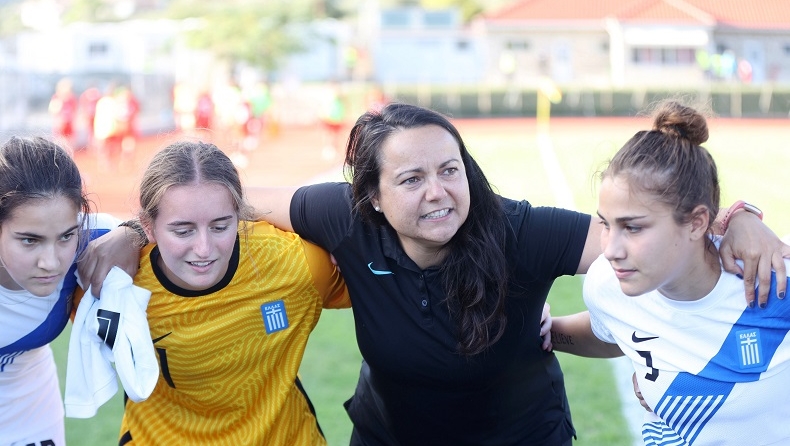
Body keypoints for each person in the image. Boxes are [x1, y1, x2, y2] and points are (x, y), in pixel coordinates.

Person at [82, 103, 787, 445]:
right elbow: (225, 199)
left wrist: (735, 220)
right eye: (411, 178)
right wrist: (128, 232)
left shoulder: (521, 230)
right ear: (371, 196)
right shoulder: (341, 220)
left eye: (450, 170)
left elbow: (648, 237)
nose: (438, 192)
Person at [549, 100, 790, 445]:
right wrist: (537, 332)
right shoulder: (607, 285)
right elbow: (610, 332)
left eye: (633, 227)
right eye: (606, 225)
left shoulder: (773, 280)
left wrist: (740, 214)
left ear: (697, 223)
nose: (611, 250)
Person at [109, 141, 350, 445]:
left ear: (240, 216)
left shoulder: (295, 264)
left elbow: (384, 283)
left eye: (220, 227)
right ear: (148, 226)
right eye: (183, 231)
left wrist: (351, 249)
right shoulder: (116, 284)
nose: (204, 249)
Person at [0, 136, 120, 446]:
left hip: (29, 409)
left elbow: (209, 218)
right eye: (30, 240)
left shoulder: (97, 240)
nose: (51, 262)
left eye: (66, 236)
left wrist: (132, 234)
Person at [48, 78, 78, 150]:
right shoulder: (56, 98)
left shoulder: (72, 98)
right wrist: (59, 103)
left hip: (69, 124)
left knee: (69, 144)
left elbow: (74, 112)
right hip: (60, 124)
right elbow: (53, 111)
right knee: (59, 144)